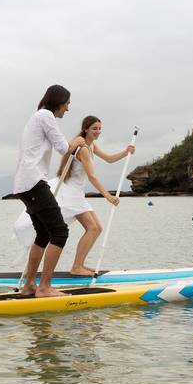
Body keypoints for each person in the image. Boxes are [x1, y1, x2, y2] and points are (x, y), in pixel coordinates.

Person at [12, 84, 83, 297]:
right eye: (67, 104)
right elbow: (63, 147)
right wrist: (77, 141)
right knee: (60, 231)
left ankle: (29, 286)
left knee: (43, 233)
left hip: (24, 183)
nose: (68, 109)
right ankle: (44, 287)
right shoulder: (45, 115)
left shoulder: (37, 116)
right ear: (59, 101)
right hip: (33, 181)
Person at [54, 116, 135, 276]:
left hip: (77, 194)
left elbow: (109, 159)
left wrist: (126, 152)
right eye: (94, 128)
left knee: (96, 228)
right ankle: (77, 267)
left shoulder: (91, 146)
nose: (98, 131)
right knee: (93, 228)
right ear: (86, 129)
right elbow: (92, 177)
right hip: (70, 194)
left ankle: (79, 265)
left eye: (99, 128)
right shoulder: (83, 148)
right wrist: (108, 196)